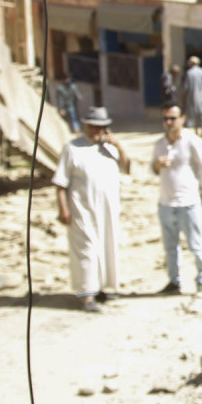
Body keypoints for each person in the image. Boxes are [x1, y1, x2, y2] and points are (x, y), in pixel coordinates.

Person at [51, 106, 130, 312]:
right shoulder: (72, 148)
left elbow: (127, 167)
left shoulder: (109, 149)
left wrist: (118, 146)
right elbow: (60, 183)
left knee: (106, 247)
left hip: (106, 211)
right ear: (86, 125)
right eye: (92, 127)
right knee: (85, 250)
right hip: (82, 210)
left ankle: (104, 287)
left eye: (100, 128)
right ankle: (86, 294)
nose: (96, 131)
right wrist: (63, 209)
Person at [151, 104, 202, 295]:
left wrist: (194, 187)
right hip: (166, 202)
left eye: (173, 118)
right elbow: (152, 169)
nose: (169, 123)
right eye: (165, 119)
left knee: (196, 244)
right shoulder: (159, 144)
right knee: (170, 247)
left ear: (182, 119)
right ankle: (174, 281)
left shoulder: (191, 141)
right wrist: (158, 164)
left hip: (188, 203)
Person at [181, 56, 202, 131]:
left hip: (191, 97)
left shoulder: (189, 73)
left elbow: (185, 87)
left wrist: (182, 97)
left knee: (192, 117)